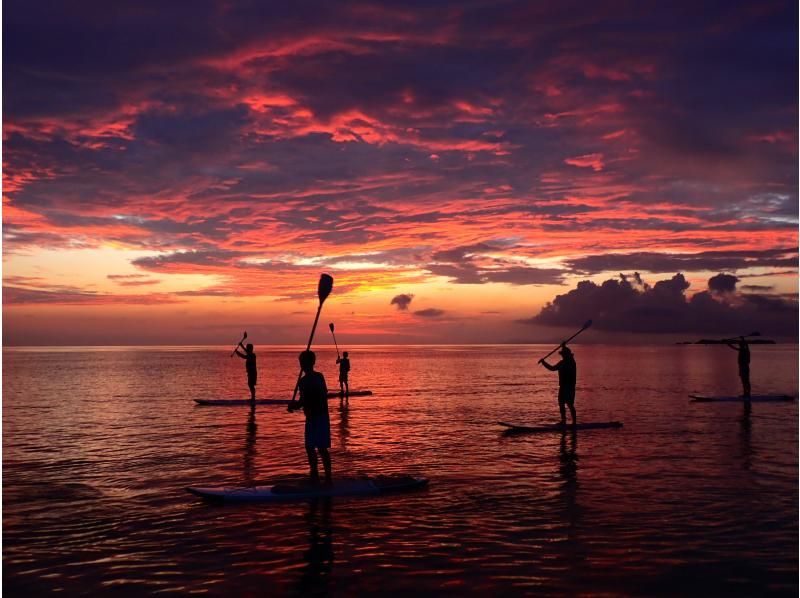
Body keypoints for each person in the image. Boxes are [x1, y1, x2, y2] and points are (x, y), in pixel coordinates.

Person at [289, 350, 332, 486]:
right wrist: (295, 405)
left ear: (311, 363)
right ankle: (316, 475)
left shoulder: (314, 379)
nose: (302, 365)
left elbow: (312, 398)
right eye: (301, 362)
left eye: (303, 362)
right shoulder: (310, 379)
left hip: (319, 417)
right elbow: (304, 400)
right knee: (311, 448)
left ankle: (326, 478)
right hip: (313, 418)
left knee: (320, 448)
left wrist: (296, 405)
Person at [539, 343, 577, 426]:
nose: (562, 356)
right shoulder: (562, 363)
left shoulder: (571, 362)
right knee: (561, 403)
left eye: (564, 354)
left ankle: (574, 422)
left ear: (567, 355)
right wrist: (544, 362)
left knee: (570, 404)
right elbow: (552, 368)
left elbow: (568, 359)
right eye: (562, 354)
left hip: (570, 387)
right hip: (563, 387)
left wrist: (564, 347)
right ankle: (563, 421)